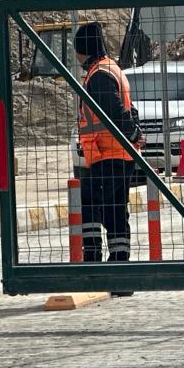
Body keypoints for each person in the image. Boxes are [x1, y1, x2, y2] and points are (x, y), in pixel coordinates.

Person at [74, 21, 137, 291]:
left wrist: (132, 134)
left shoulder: (98, 75)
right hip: (116, 154)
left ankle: (95, 264)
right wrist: (135, 133)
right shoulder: (112, 68)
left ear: (82, 50)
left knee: (92, 208)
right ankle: (118, 268)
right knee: (115, 213)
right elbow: (129, 108)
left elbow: (113, 109)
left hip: (106, 153)